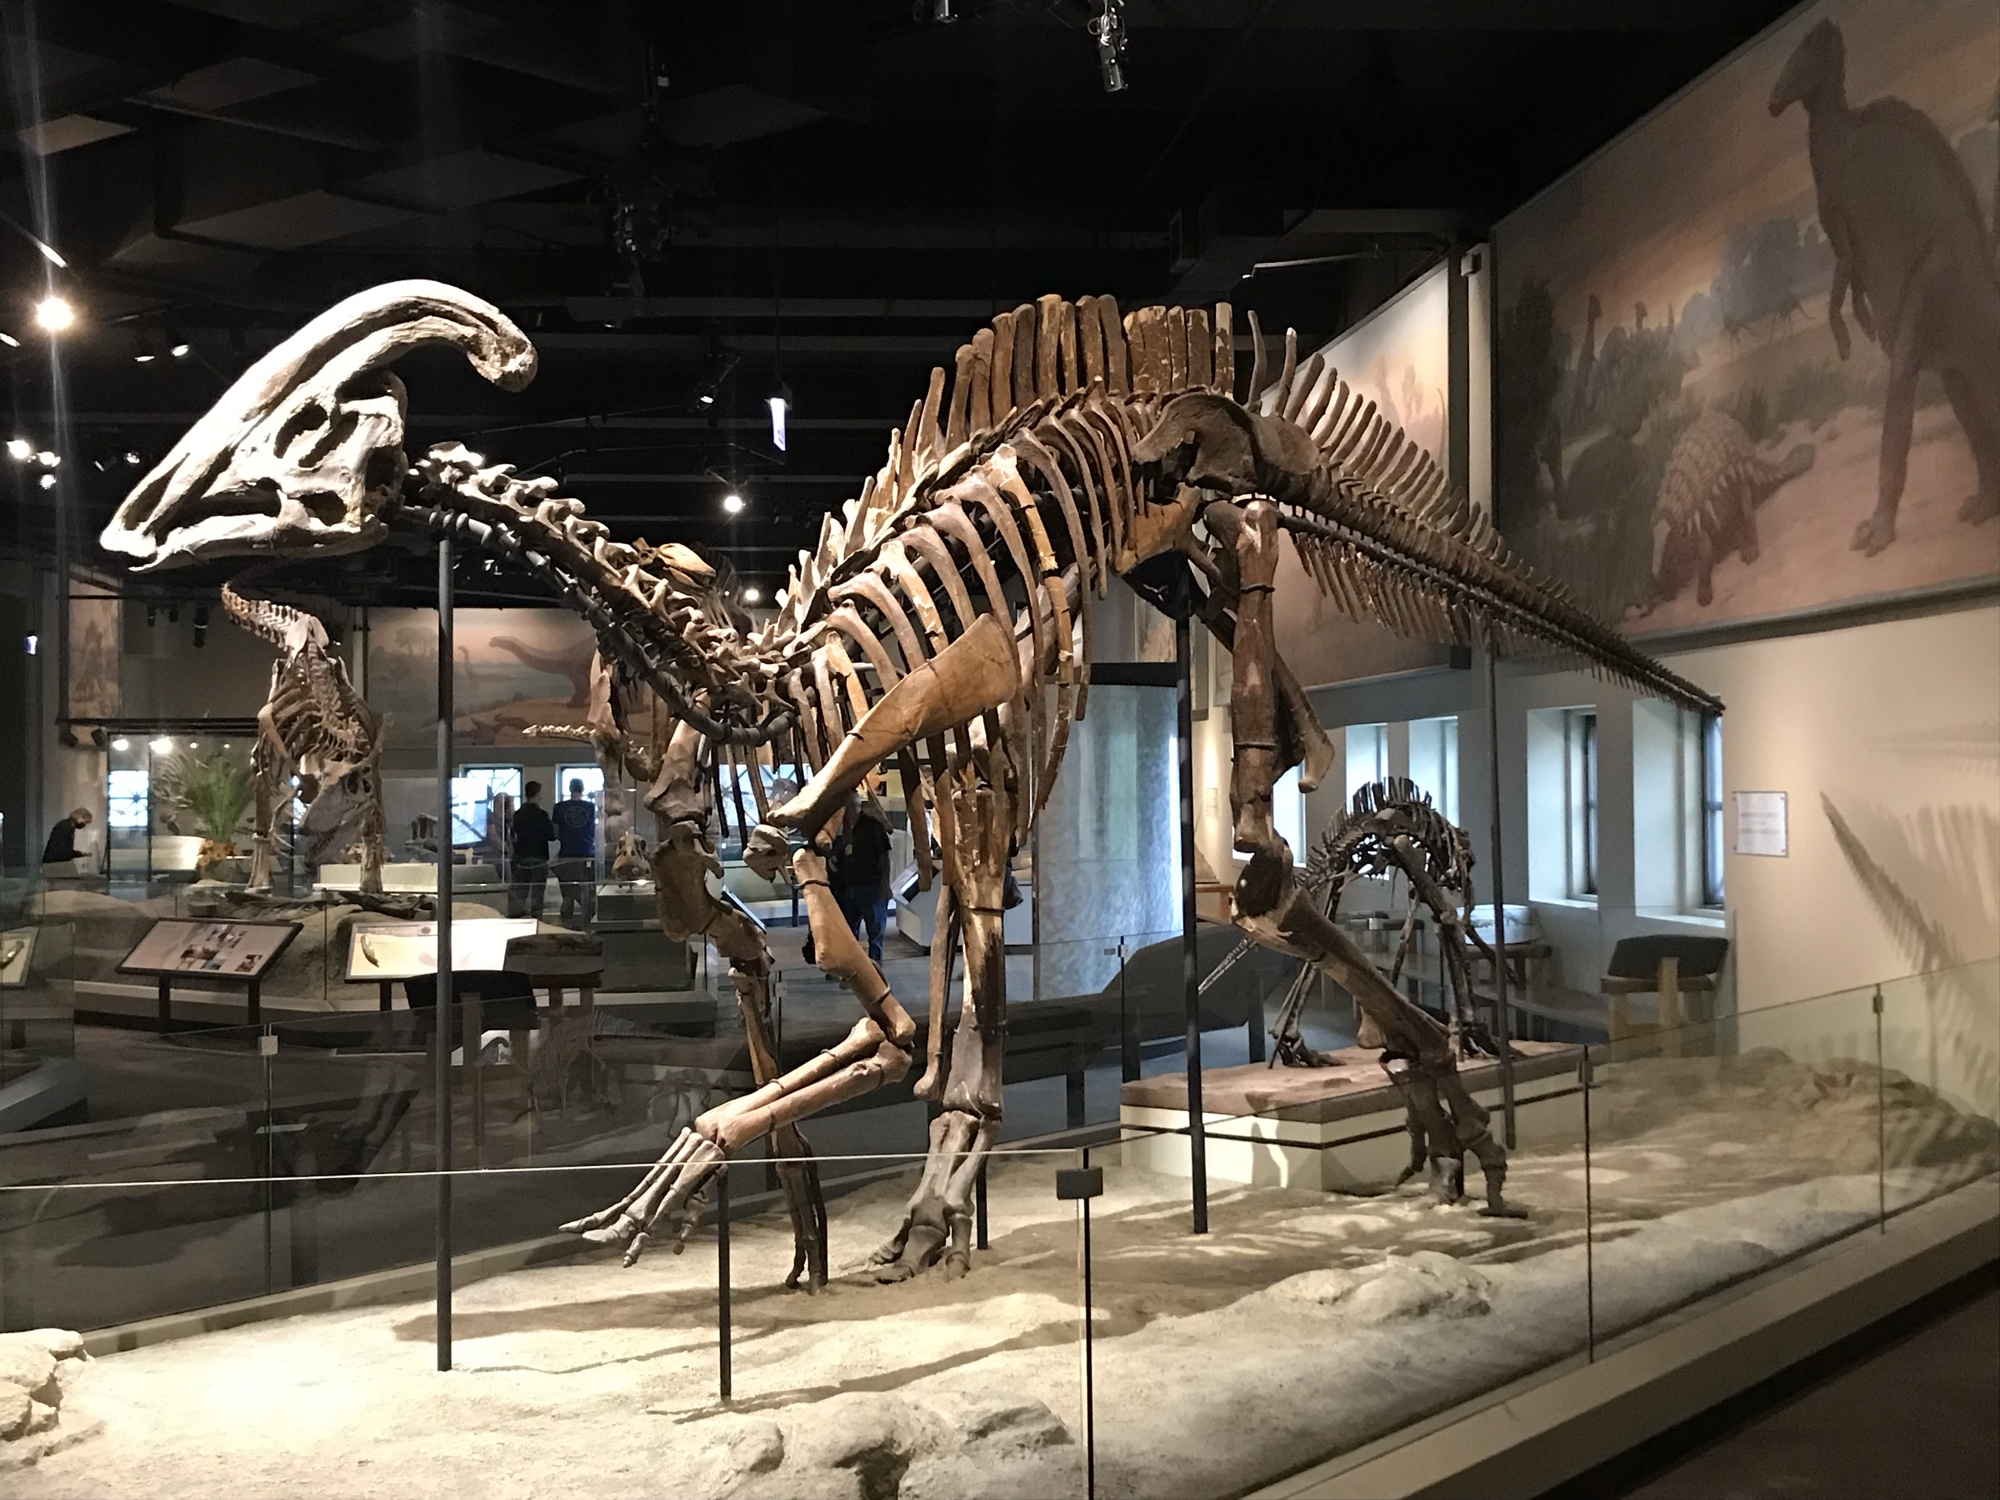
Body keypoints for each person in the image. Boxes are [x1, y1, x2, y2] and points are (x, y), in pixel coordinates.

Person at [830, 793, 893, 964]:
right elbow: (842, 851)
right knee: (849, 932)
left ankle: (875, 967)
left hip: (871, 886)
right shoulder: (845, 828)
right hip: (851, 886)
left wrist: (885, 885)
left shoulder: (872, 826)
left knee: (875, 931)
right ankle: (853, 967)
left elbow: (884, 856)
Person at [551, 778, 598, 927]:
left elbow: (556, 833)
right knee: (587, 893)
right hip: (587, 854)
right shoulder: (590, 807)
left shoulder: (559, 807)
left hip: (567, 854)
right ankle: (589, 925)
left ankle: (566, 926)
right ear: (582, 789)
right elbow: (594, 830)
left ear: (570, 789)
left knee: (568, 894)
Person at [509, 781, 555, 919]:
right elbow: (551, 836)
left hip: (521, 857)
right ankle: (537, 920)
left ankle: (518, 919)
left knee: (520, 893)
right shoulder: (542, 815)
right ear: (538, 794)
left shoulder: (518, 814)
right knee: (537, 894)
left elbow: (513, 836)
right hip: (539, 857)